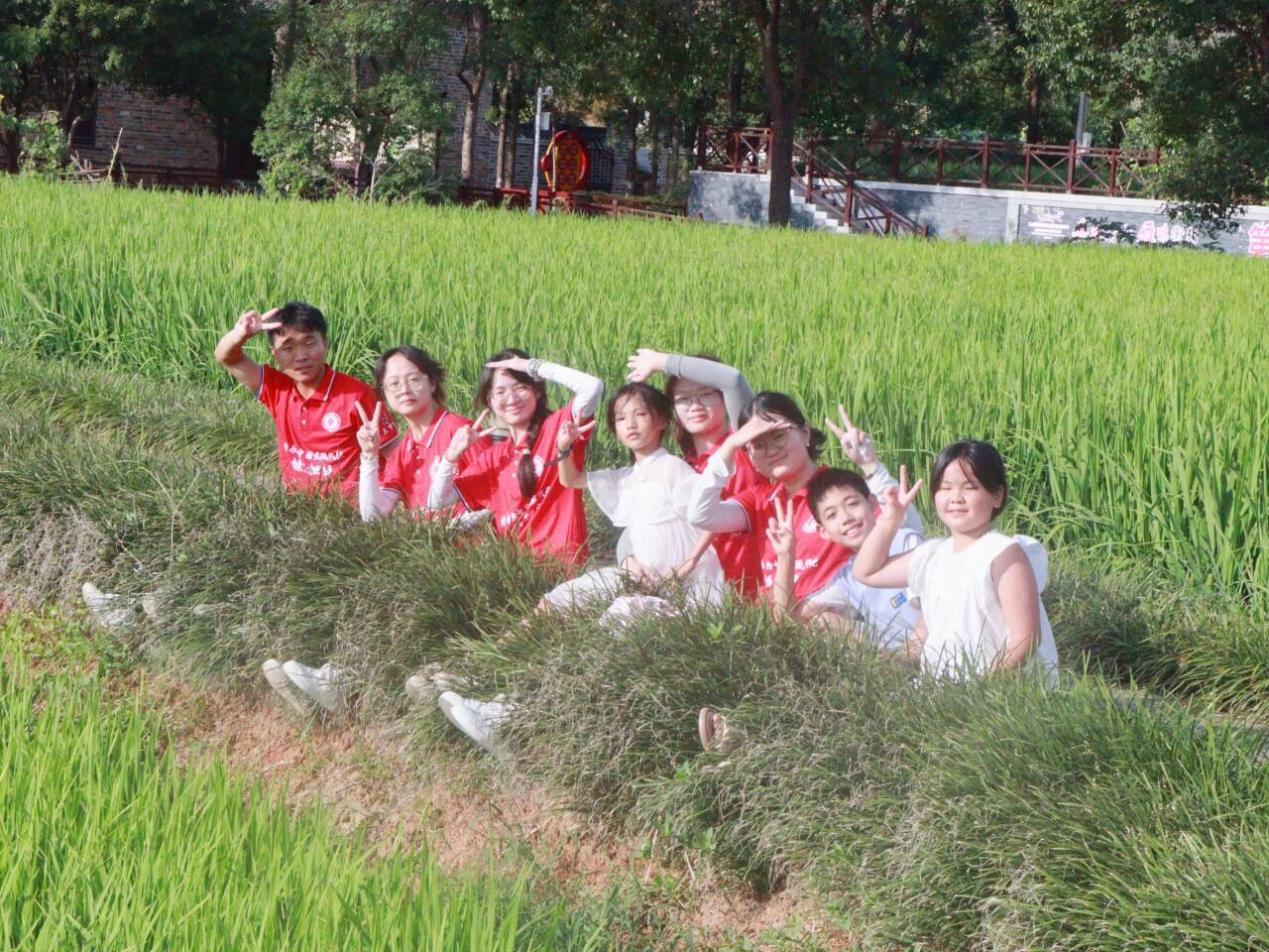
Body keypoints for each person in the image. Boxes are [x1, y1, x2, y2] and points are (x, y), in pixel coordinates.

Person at [851, 440, 1059, 684]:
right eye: (945, 488)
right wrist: (890, 520)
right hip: (943, 688)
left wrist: (978, 688)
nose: (956, 498)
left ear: (996, 496)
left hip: (1001, 692)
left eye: (969, 487)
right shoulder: (931, 555)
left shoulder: (1004, 553)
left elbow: (1026, 639)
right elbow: (866, 572)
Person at [686, 395, 919, 608]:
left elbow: (905, 527)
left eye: (779, 435)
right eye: (758, 444)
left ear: (805, 434)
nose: (771, 450)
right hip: (776, 623)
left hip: (831, 617)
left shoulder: (839, 492)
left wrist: (870, 464)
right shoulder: (759, 500)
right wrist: (729, 446)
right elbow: (700, 515)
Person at [426, 349, 603, 566]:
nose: (511, 398)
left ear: (537, 391)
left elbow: (592, 387)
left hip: (562, 569)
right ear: (490, 401)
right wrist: (451, 455)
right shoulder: (493, 458)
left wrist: (533, 366)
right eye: (500, 392)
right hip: (516, 576)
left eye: (520, 387)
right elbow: (437, 500)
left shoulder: (558, 429)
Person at [213, 302, 395, 503]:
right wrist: (241, 334)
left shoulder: (356, 394)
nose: (300, 357)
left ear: (325, 343)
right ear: (275, 353)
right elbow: (227, 357)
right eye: (288, 347)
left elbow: (393, 449)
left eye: (309, 344)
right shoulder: (277, 388)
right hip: (297, 506)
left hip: (350, 512)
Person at [625, 349, 767, 596]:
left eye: (705, 394)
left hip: (752, 586)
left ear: (723, 398)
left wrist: (661, 362)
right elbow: (640, 523)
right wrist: (627, 559)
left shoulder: (745, 442)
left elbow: (733, 379)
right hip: (697, 590)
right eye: (683, 398)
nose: (695, 405)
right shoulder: (679, 467)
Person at [356, 345, 490, 521]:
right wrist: (369, 456)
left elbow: (499, 494)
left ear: (432, 383)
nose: (404, 390)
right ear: (385, 393)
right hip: (426, 546)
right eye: (394, 384)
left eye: (413, 379)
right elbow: (372, 516)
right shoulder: (402, 453)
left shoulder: (461, 432)